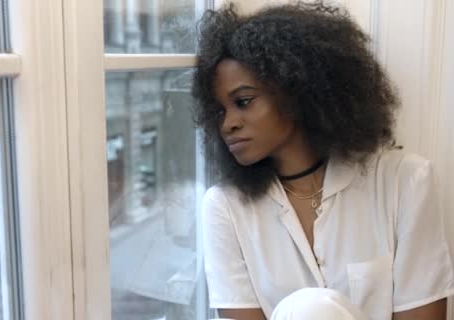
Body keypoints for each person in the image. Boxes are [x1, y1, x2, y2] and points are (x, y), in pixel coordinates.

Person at [191, 2, 454, 320]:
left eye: (243, 102)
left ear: (297, 90)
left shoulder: (405, 182)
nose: (227, 123)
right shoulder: (225, 208)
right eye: (220, 110)